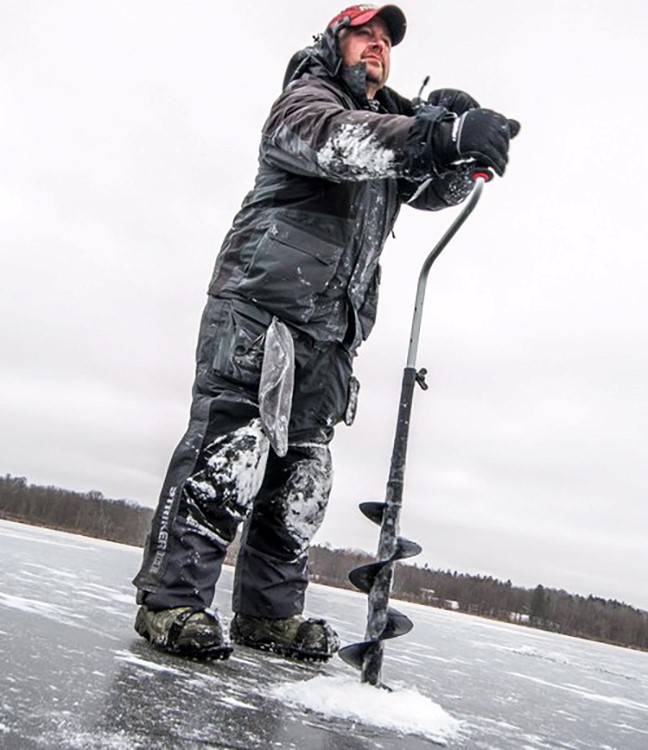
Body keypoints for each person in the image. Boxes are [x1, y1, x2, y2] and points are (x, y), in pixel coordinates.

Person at [133, 4, 519, 661]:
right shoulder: (306, 103)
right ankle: (171, 604)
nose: (377, 47)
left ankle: (269, 616)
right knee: (230, 456)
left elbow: (427, 189)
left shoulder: (391, 123)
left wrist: (459, 149)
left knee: (300, 480)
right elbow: (339, 142)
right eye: (364, 34)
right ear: (334, 42)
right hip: (261, 311)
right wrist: (437, 136)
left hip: (332, 332)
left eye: (386, 41)